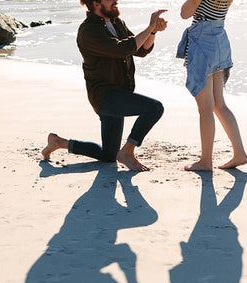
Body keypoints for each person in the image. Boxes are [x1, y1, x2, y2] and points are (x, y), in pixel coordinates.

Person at [42, 1, 167, 171]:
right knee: (155, 108)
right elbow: (122, 49)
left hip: (120, 93)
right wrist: (149, 26)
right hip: (105, 96)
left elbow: (140, 50)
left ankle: (59, 142)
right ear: (96, 3)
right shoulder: (88, 31)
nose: (116, 0)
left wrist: (153, 31)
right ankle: (128, 152)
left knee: (108, 155)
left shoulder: (117, 22)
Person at [177, 0, 247, 171]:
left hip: (203, 41)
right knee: (219, 104)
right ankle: (239, 153)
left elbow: (184, 13)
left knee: (206, 108)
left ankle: (205, 161)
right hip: (219, 38)